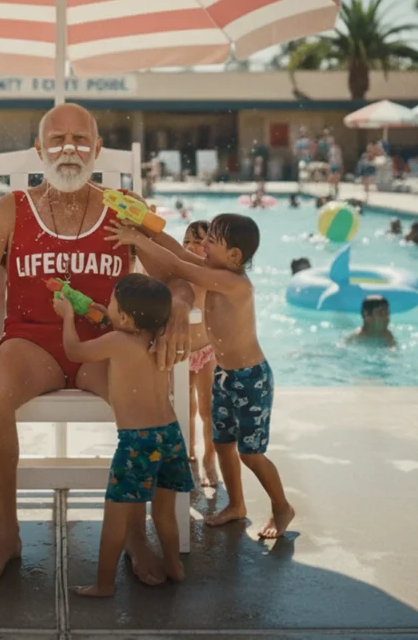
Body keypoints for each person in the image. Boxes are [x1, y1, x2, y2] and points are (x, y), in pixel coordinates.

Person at [0, 102, 191, 587]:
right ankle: (9, 534)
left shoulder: (123, 207)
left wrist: (179, 306)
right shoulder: (12, 208)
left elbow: (178, 272)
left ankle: (135, 534)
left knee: (142, 392)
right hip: (32, 345)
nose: (69, 149)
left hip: (107, 345)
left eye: (81, 140)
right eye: (57, 140)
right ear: (40, 150)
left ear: (97, 149)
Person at [109, 212, 292, 540]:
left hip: (251, 379)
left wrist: (138, 241)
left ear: (234, 256)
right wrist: (145, 228)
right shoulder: (216, 269)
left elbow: (180, 267)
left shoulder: (233, 282)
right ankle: (236, 505)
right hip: (225, 375)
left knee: (250, 453)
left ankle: (281, 506)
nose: (202, 245)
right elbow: (179, 255)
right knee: (223, 444)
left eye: (211, 241)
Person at [60, 273, 190, 597]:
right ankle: (174, 564)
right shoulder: (157, 336)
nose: (109, 305)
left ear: (127, 317)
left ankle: (103, 585)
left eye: (114, 302)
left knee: (115, 516)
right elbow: (127, 324)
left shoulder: (119, 342)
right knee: (164, 513)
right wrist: (107, 315)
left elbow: (74, 351)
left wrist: (66, 316)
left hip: (137, 442)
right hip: (170, 436)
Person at [181, 221, 221, 487]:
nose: (192, 247)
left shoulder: (212, 275)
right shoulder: (180, 272)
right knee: (186, 407)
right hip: (183, 352)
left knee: (207, 409)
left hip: (207, 350)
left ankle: (210, 456)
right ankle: (189, 452)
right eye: (187, 242)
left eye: (199, 242)